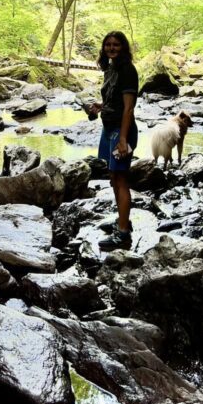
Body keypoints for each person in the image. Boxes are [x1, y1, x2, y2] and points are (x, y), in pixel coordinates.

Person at [89, 30, 139, 250]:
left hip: (121, 131)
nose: (111, 48)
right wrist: (101, 107)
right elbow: (114, 99)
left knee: (120, 180)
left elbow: (129, 108)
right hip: (108, 128)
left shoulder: (128, 70)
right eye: (108, 44)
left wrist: (123, 139)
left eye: (116, 45)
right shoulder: (110, 69)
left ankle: (123, 234)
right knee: (113, 177)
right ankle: (122, 220)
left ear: (123, 47)